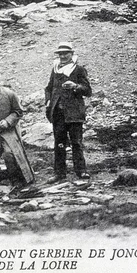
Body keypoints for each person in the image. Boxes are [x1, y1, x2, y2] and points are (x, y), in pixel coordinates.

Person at [44, 42, 92, 182]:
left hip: (74, 113)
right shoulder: (55, 70)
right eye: (60, 54)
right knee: (59, 143)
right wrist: (48, 101)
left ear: (72, 54)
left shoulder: (78, 70)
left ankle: (81, 171)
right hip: (58, 114)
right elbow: (48, 88)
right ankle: (59, 173)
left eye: (66, 53)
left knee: (76, 142)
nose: (63, 56)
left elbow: (88, 91)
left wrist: (75, 86)